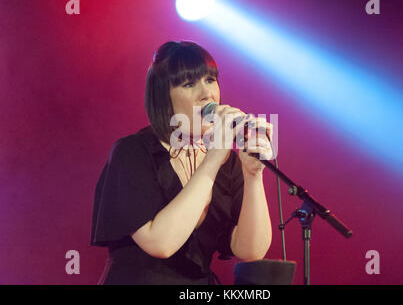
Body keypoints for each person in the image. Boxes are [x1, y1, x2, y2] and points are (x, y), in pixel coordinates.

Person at [90, 41, 273, 285]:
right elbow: (161, 243)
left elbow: (251, 250)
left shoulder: (226, 160)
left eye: (210, 80)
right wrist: (213, 160)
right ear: (164, 97)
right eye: (189, 84)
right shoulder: (133, 152)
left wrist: (253, 176)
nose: (206, 94)